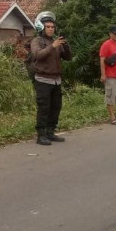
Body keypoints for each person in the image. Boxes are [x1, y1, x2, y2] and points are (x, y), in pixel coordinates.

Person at [30, 11, 72, 145]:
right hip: (42, 80)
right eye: (48, 26)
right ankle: (41, 135)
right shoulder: (36, 41)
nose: (50, 29)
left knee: (56, 107)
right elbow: (37, 55)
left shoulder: (56, 42)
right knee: (44, 108)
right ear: (41, 27)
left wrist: (65, 44)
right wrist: (52, 46)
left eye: (52, 27)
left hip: (56, 80)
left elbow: (68, 58)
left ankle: (50, 132)